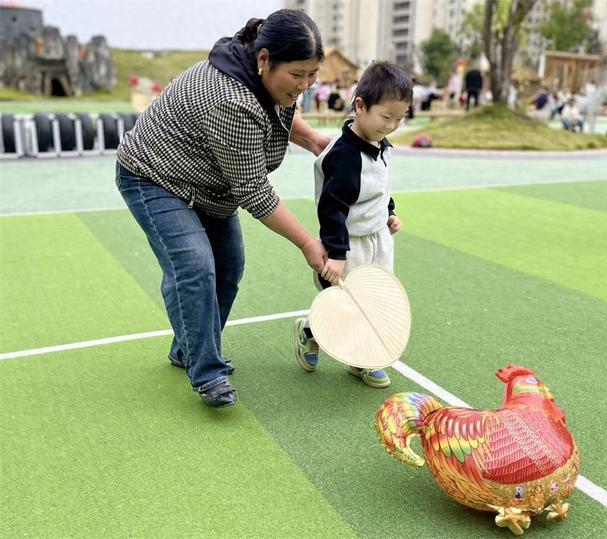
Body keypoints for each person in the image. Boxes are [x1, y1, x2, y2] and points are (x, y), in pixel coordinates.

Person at [116, 9, 330, 409]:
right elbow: (253, 190)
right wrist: (307, 244)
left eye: (312, 74)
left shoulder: (264, 76)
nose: (303, 85)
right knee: (194, 266)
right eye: (297, 74)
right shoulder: (231, 99)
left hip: (210, 184)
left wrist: (314, 141)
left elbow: (283, 111)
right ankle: (207, 372)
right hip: (154, 177)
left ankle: (188, 348)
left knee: (229, 267)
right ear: (264, 59)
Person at [293, 62, 412, 388]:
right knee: (346, 304)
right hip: (350, 244)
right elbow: (332, 209)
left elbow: (379, 188)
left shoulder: (381, 146)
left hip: (378, 239)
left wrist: (388, 213)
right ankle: (311, 330)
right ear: (360, 106)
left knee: (375, 299)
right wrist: (336, 253)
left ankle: (364, 360)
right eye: (386, 117)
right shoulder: (344, 157)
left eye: (400, 118)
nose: (392, 125)